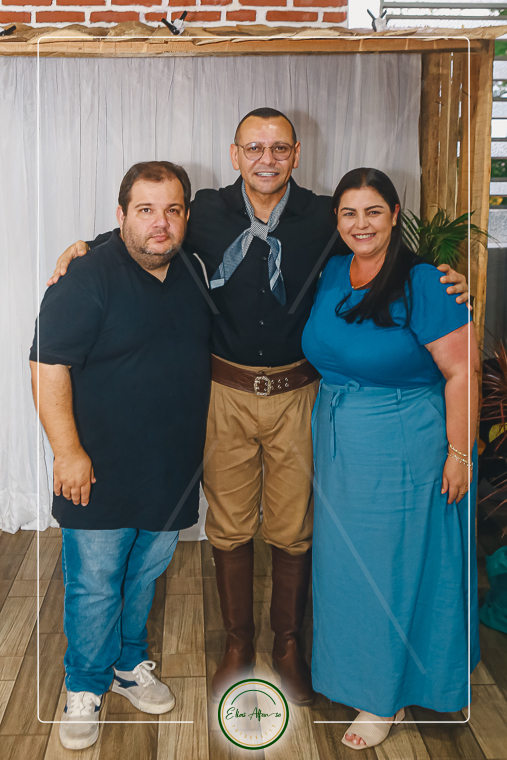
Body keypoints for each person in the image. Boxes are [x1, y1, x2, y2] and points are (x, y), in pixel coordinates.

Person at [47, 109, 469, 706]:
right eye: (253, 148)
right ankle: (237, 644)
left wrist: (439, 276)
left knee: (294, 525)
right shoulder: (204, 212)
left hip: (298, 393)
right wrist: (84, 248)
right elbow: (149, 234)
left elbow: (377, 251)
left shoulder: (325, 215)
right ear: (235, 153)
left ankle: (288, 644)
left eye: (278, 148)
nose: (266, 159)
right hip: (224, 392)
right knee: (229, 521)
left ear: (295, 154)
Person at [30, 161, 212, 750]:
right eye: (145, 210)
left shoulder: (193, 269)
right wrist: (67, 452)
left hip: (172, 468)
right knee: (95, 582)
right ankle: (84, 684)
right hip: (96, 469)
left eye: (172, 210)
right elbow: (46, 365)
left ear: (186, 215)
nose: (160, 223)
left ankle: (129, 665)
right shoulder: (86, 276)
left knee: (145, 573)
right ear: (121, 215)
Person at [301, 167, 480, 750]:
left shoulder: (426, 282)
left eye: (373, 212)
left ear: (396, 214)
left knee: (391, 567)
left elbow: (463, 372)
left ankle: (384, 694)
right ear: (337, 220)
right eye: (349, 213)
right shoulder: (334, 271)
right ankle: (357, 675)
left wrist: (460, 454)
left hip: (404, 442)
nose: (362, 225)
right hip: (339, 441)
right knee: (347, 568)